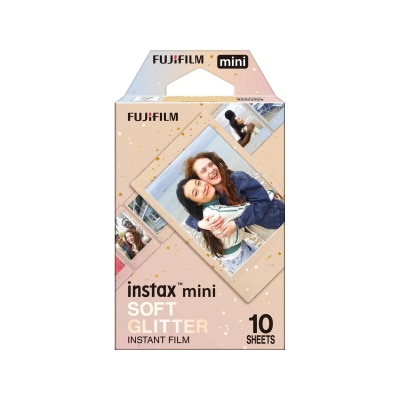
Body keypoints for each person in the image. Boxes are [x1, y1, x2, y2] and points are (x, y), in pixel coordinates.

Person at [183, 152, 285, 240]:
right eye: (203, 170)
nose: (211, 170)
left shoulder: (238, 179)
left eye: (211, 164)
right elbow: (190, 218)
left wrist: (236, 223)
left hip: (276, 217)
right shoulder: (211, 196)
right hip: (262, 229)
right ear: (198, 179)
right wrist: (200, 224)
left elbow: (262, 202)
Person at [176, 176, 257, 275]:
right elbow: (250, 208)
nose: (202, 188)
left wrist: (199, 223)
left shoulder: (208, 208)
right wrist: (269, 193)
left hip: (234, 255)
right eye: (196, 193)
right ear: (197, 203)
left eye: (198, 183)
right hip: (241, 257)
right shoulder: (216, 214)